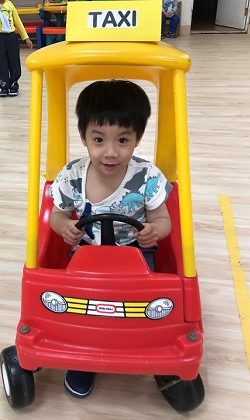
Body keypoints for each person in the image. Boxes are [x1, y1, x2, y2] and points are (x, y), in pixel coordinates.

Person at [49, 79, 173, 398]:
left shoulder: (147, 177)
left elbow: (164, 220)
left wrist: (155, 231)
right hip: (86, 253)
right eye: (99, 139)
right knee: (80, 305)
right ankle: (83, 357)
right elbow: (56, 215)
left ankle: (149, 346)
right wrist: (64, 226)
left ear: (137, 139)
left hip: (135, 252)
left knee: (143, 301)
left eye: (123, 140)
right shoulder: (72, 175)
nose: (110, 152)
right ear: (83, 137)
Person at [0, 0, 33, 97]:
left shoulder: (10, 4)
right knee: (1, 62)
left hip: (11, 37)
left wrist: (26, 38)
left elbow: (18, 23)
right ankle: (4, 86)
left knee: (14, 61)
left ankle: (14, 84)